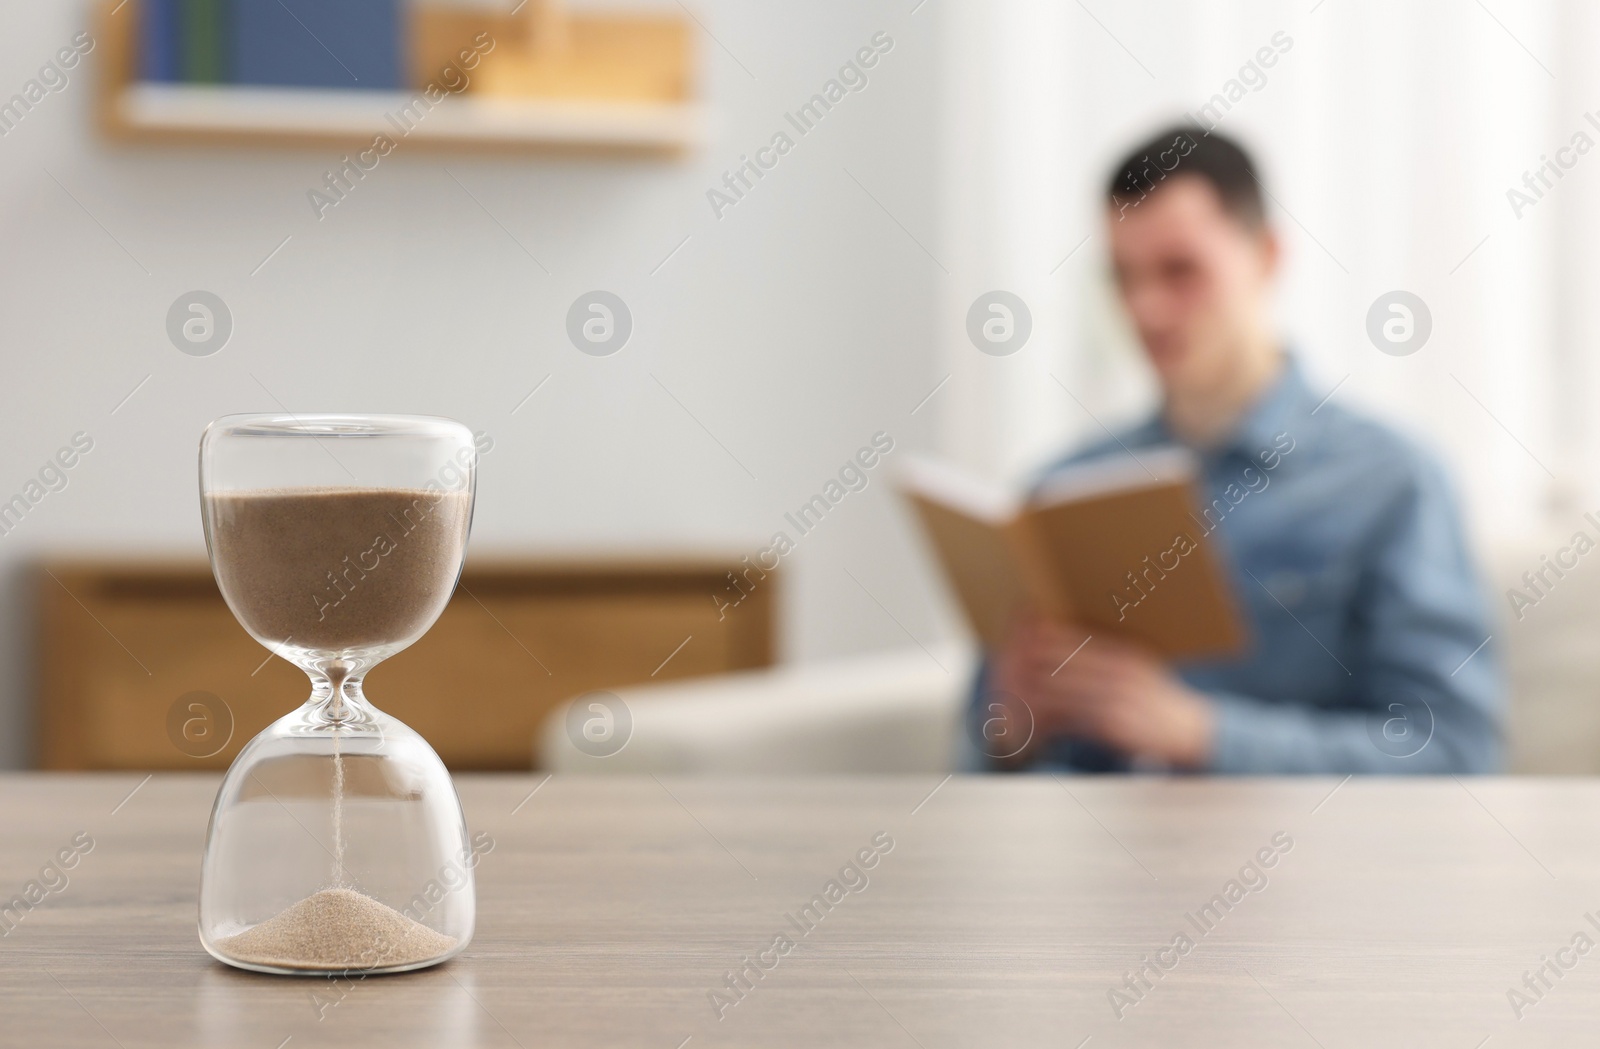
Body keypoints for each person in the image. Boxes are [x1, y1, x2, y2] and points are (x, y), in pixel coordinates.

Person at [972, 126, 1503, 774]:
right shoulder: (1065, 486)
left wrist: (1204, 734)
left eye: (1180, 271)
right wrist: (1011, 726)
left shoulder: (1393, 481)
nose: (1146, 309)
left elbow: (1455, 751)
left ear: (1267, 256)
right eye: (1124, 276)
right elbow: (969, 757)